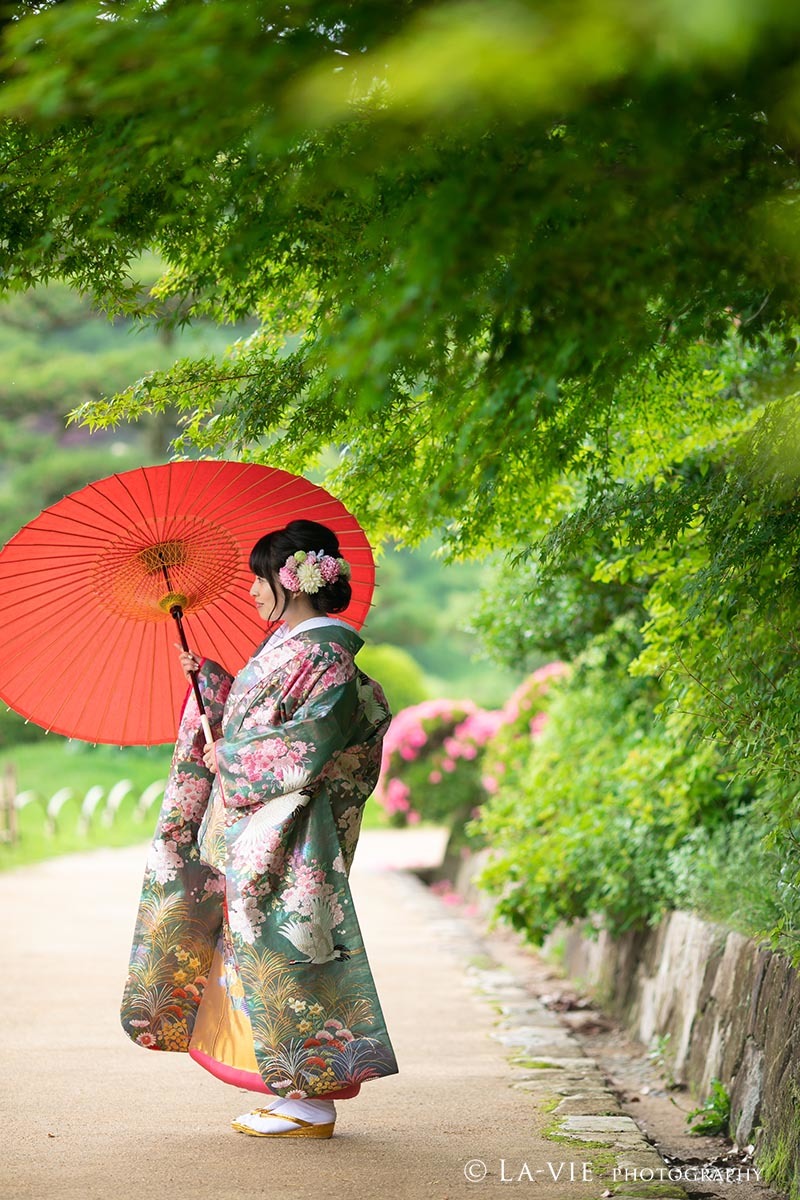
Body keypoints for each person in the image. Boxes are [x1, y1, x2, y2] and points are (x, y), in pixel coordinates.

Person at [120, 519, 398, 1138]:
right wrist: (212, 684)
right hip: (265, 826)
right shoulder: (292, 650)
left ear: (288, 581)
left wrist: (238, 760)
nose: (251, 591)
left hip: (294, 833)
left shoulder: (326, 655)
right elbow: (259, 724)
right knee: (256, 958)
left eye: (257, 577)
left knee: (294, 951)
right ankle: (292, 1088)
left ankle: (314, 1101)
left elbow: (313, 741)